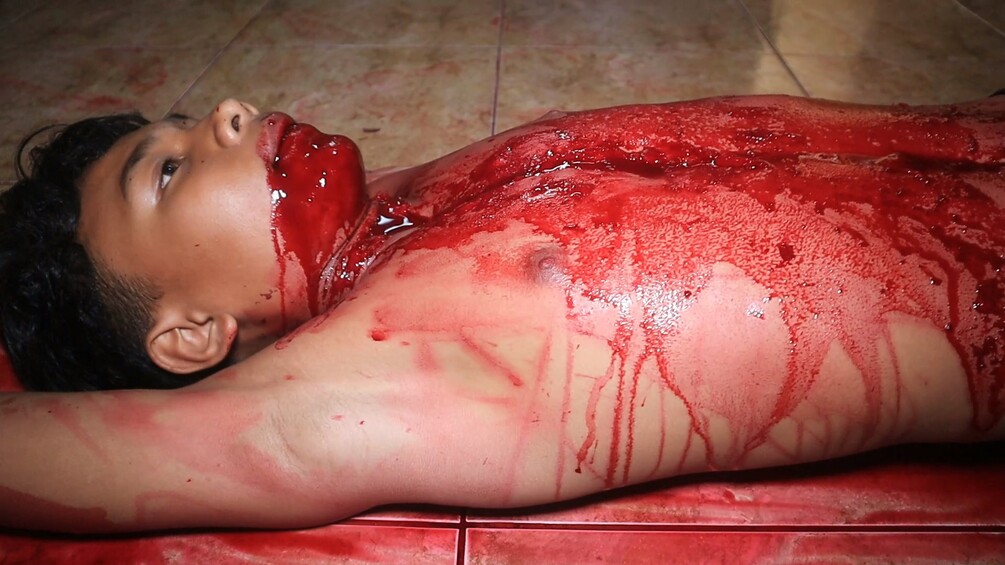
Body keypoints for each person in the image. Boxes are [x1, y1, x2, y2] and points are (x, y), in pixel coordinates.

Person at [0, 95, 1002, 534]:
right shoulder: (364, 381)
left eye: (187, 125)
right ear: (189, 333)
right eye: (168, 172)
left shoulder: (392, 211)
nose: (227, 112)